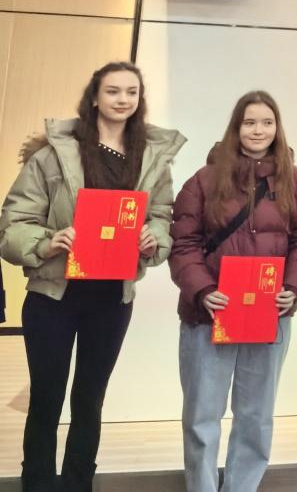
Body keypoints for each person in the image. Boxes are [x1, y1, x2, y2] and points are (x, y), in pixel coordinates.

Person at [0, 61, 185, 492]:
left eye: (132, 92)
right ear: (95, 98)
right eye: (113, 91)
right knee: (46, 399)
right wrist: (48, 241)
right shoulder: (53, 155)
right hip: (54, 297)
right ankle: (37, 484)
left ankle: (78, 483)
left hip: (111, 299)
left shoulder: (151, 159)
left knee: (90, 399)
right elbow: (13, 223)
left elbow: (162, 216)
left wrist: (153, 237)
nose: (123, 99)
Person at [169, 90, 297, 492]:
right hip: (209, 314)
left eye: (267, 122)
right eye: (249, 122)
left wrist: (293, 288)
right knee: (202, 416)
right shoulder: (203, 181)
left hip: (269, 314)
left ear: (277, 128)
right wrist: (203, 290)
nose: (258, 130)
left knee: (256, 417)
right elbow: (183, 244)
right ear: (236, 128)